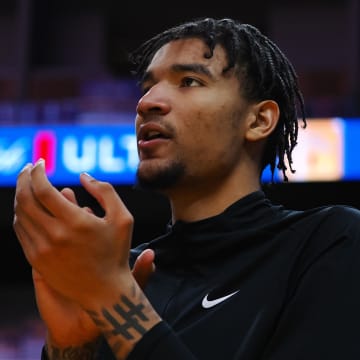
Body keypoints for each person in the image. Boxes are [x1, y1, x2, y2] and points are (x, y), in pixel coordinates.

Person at [13, 17, 360, 360]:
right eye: (148, 86)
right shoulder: (126, 273)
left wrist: (113, 299)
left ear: (258, 120)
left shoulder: (330, 241)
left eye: (189, 81)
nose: (146, 103)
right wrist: (68, 346)